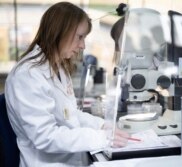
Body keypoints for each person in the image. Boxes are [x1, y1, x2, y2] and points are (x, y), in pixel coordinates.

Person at [4, 2, 129, 167]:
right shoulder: (27, 76)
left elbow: (71, 115)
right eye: (80, 37)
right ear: (60, 32)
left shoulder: (58, 67)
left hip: (72, 160)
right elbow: (45, 137)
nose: (83, 45)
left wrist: (101, 125)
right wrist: (102, 138)